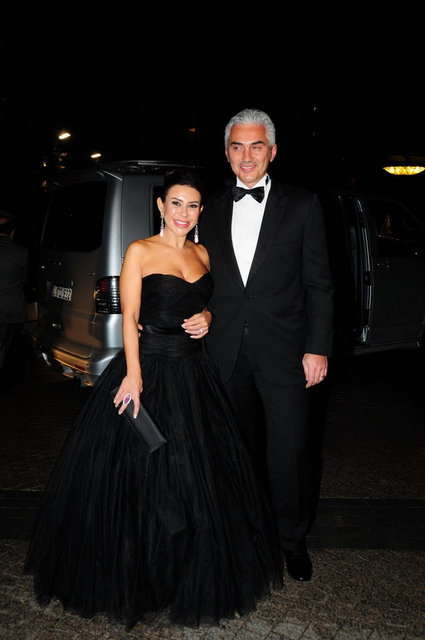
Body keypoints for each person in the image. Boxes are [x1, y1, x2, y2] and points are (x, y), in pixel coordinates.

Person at [24, 169, 283, 630]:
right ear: (161, 206)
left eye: (193, 205)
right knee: (141, 474)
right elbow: (129, 318)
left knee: (199, 474)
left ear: (201, 211)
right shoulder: (140, 250)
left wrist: (207, 316)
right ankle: (138, 572)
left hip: (195, 371)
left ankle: (188, 569)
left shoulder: (203, 253)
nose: (184, 212)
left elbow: (213, 304)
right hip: (149, 367)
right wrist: (134, 375)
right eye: (176, 203)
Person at [201, 109, 333, 582]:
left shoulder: (303, 205)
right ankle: (240, 533)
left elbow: (319, 284)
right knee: (231, 449)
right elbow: (196, 276)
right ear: (226, 153)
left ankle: (291, 540)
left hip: (285, 352)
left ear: (272, 152)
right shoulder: (209, 207)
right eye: (237, 146)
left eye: (256, 146)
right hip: (223, 351)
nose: (246, 156)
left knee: (289, 450)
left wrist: (318, 347)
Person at [0, 214, 28, 380]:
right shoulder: (21, 252)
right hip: (10, 309)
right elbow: (24, 279)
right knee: (3, 346)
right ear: (12, 233)